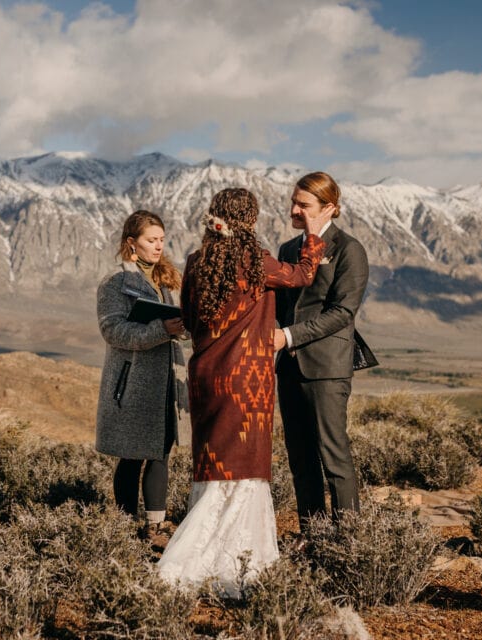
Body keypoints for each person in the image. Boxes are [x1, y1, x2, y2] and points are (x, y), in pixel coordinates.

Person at [158, 187, 325, 596]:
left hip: (206, 379)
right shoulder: (255, 261)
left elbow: (190, 321)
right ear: (248, 222)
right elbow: (302, 275)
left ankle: (203, 553)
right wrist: (315, 236)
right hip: (247, 381)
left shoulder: (197, 263)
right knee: (246, 467)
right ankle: (234, 563)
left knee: (213, 465)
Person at [274, 171, 369, 526]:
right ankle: (312, 536)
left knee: (334, 456)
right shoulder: (287, 250)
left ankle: (349, 541)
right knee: (300, 459)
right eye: (293, 202)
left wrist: (288, 336)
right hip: (288, 369)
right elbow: (279, 309)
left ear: (329, 207)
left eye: (304, 204)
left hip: (326, 368)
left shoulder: (348, 250)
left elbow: (342, 313)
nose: (295, 210)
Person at [95, 210, 188, 534]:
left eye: (162, 240)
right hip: (132, 383)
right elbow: (113, 331)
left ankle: (156, 525)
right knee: (132, 456)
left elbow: (172, 326)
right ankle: (123, 525)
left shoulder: (164, 280)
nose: (159, 246)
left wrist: (181, 328)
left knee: (160, 452)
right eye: (152, 240)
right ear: (131, 243)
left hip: (165, 383)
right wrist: (160, 329)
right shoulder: (116, 282)